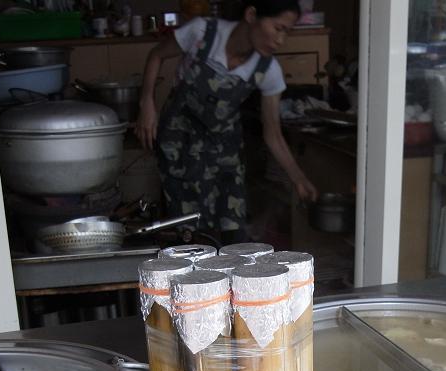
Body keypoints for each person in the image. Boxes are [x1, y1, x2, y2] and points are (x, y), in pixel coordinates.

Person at [135, 1, 319, 243]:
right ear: (251, 14)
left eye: (287, 32)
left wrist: (298, 178)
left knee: (234, 229)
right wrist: (147, 104)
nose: (280, 40)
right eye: (278, 28)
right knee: (190, 233)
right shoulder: (203, 33)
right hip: (181, 145)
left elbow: (273, 133)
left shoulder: (268, 69)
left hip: (224, 151)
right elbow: (156, 55)